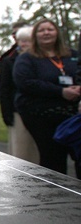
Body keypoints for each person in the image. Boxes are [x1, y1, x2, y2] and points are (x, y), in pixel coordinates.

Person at [14, 18, 80, 177]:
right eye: (41, 30)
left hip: (72, 114)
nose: (46, 33)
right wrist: (61, 92)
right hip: (41, 115)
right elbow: (25, 82)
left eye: (50, 29)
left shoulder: (72, 55)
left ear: (57, 32)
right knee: (53, 157)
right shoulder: (27, 58)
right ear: (35, 35)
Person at [0, 26, 39, 163]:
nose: (24, 44)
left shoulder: (42, 60)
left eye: (28, 41)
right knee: (20, 150)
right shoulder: (8, 60)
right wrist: (6, 113)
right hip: (18, 110)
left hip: (39, 110)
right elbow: (4, 89)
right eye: (21, 41)